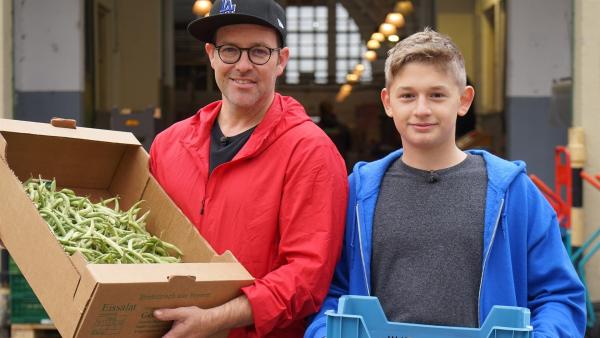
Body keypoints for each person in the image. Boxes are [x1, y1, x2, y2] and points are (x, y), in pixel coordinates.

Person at [305, 28, 586, 338]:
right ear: (388, 102)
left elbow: (559, 296)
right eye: (408, 95)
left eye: (437, 95)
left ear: (463, 100)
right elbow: (326, 291)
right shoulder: (358, 194)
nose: (421, 109)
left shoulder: (513, 194)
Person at [149, 0, 348, 337]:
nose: (242, 65)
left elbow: (305, 276)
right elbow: (145, 245)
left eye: (259, 52)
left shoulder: (310, 152)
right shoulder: (168, 146)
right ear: (211, 54)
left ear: (281, 60)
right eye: (230, 50)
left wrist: (216, 319)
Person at [317, 101, 351, 165]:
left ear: (320, 111)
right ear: (332, 110)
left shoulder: (316, 129)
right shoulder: (343, 128)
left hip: (323, 164)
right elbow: (348, 146)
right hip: (341, 163)